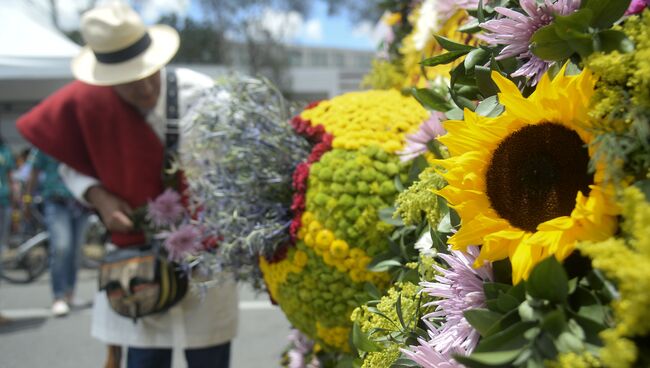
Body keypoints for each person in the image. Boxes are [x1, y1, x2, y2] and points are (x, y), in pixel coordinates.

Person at [16, 2, 238, 368]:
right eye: (129, 80)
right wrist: (98, 196)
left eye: (150, 73)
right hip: (136, 268)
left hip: (203, 262)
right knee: (145, 357)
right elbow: (70, 166)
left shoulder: (203, 94)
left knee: (209, 356)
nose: (146, 86)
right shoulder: (88, 106)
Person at [24, 149, 91, 317]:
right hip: (56, 201)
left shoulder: (81, 134)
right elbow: (34, 169)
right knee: (61, 247)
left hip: (82, 203)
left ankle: (70, 293)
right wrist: (27, 199)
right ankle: (58, 297)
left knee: (76, 251)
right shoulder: (47, 137)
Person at [0, 134, 15, 256]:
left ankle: (3, 248)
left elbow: (10, 175)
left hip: (4, 195)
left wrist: (14, 194)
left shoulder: (5, 152)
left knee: (5, 225)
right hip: (5, 193)